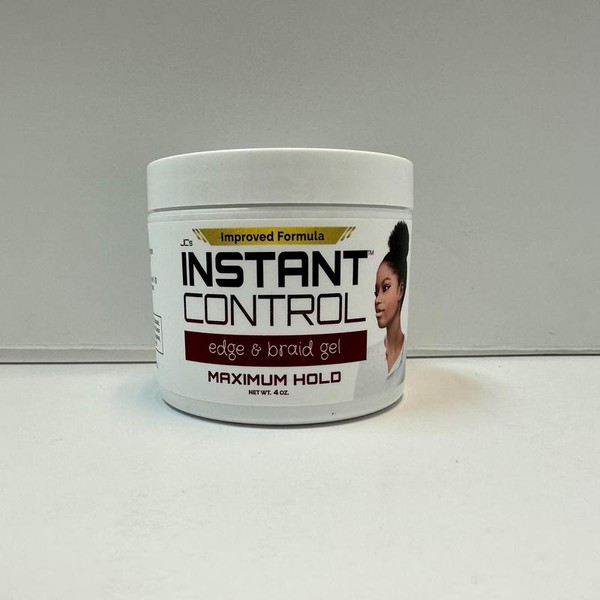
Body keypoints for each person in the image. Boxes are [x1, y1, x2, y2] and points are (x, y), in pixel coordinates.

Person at [355, 221, 409, 396]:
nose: (377, 300)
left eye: (385, 288)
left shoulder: (404, 355)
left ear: (400, 290)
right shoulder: (367, 360)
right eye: (375, 292)